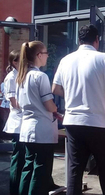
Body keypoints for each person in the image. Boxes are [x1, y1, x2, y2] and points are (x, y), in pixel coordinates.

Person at [52, 24, 105, 195]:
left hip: (73, 122)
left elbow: (55, 89)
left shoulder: (65, 60)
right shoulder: (104, 59)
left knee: (75, 169)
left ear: (78, 40)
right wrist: (100, 92)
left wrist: (71, 94)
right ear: (97, 40)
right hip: (97, 122)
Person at [16, 41, 58, 195]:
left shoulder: (21, 76)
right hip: (42, 130)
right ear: (39, 55)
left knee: (28, 167)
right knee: (41, 170)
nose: (47, 56)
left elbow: (20, 104)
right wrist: (55, 109)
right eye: (46, 53)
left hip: (27, 128)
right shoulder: (40, 76)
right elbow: (49, 105)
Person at [2, 50, 24, 195]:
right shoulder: (11, 78)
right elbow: (14, 102)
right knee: (18, 157)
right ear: (15, 62)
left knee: (23, 157)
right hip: (18, 123)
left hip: (24, 121)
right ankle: (14, 188)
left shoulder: (21, 75)